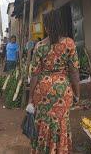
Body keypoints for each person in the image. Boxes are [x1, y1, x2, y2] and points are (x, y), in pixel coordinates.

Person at [28, 8, 80, 154]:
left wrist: (31, 98)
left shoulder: (39, 46)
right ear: (60, 24)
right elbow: (74, 72)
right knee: (62, 123)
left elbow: (34, 75)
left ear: (47, 26)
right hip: (63, 91)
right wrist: (77, 94)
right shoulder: (69, 44)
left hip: (42, 90)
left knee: (43, 123)